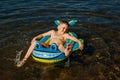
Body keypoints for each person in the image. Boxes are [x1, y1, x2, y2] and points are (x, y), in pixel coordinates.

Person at [16, 21, 84, 67]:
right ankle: (24, 59)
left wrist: (79, 42)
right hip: (48, 46)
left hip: (58, 48)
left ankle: (66, 51)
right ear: (58, 27)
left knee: (58, 44)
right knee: (35, 43)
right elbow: (42, 35)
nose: (64, 30)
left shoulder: (65, 35)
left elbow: (73, 38)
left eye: (66, 29)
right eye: (63, 28)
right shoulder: (52, 32)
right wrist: (35, 37)